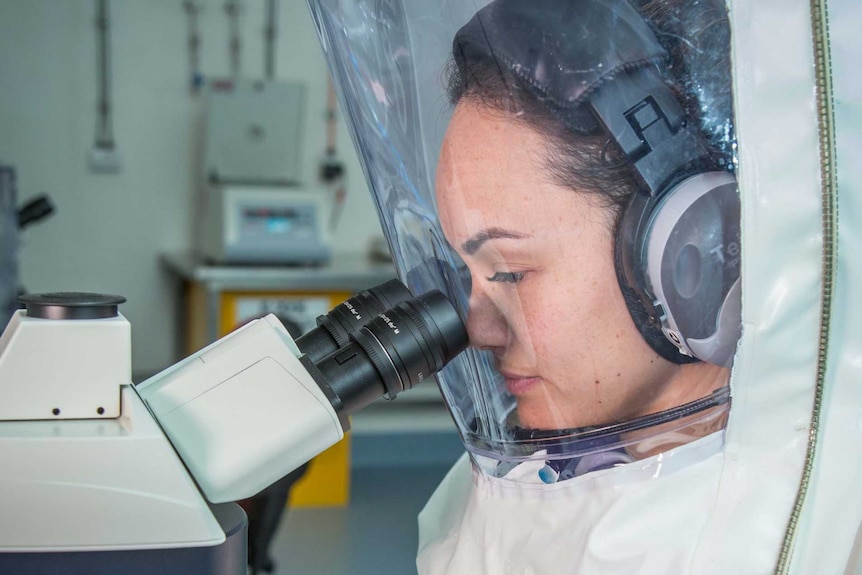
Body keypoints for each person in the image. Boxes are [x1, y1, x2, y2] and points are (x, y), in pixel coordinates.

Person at [307, 0, 858, 572]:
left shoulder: (826, 530)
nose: (474, 327)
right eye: (466, 270)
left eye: (511, 272)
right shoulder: (526, 490)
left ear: (691, 252)